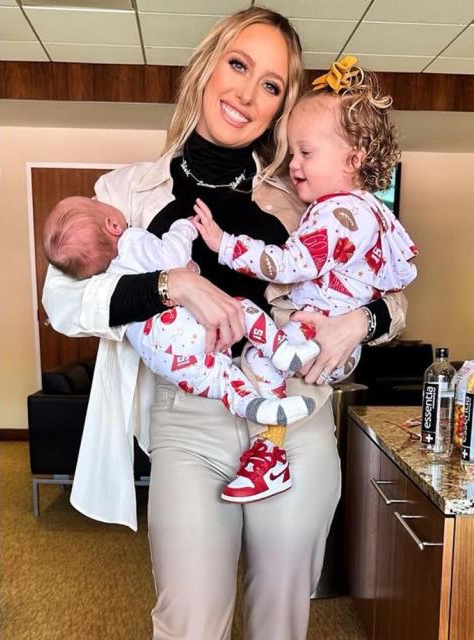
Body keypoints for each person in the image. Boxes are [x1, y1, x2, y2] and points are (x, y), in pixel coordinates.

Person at [40, 8, 408, 639]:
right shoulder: (127, 192)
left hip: (298, 418)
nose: (246, 93)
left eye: (271, 85)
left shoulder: (307, 199)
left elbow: (392, 301)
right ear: (208, 68)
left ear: (280, 107)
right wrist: (171, 283)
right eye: (238, 65)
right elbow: (65, 306)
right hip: (190, 423)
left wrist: (360, 321)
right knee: (187, 621)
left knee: (280, 621)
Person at [192, 56, 417, 501]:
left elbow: (291, 264)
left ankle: (269, 456)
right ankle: (269, 452)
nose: (294, 163)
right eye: (292, 151)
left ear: (354, 158)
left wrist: (224, 245)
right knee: (264, 363)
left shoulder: (336, 213)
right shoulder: (367, 208)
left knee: (260, 358)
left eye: (306, 153)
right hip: (317, 343)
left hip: (317, 340)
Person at [43, 196, 322, 485]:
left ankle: (259, 408)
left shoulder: (108, 269)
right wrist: (182, 236)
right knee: (243, 309)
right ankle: (281, 350)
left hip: (169, 360)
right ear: (113, 223)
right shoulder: (131, 237)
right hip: (185, 385)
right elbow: (62, 302)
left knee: (224, 381)